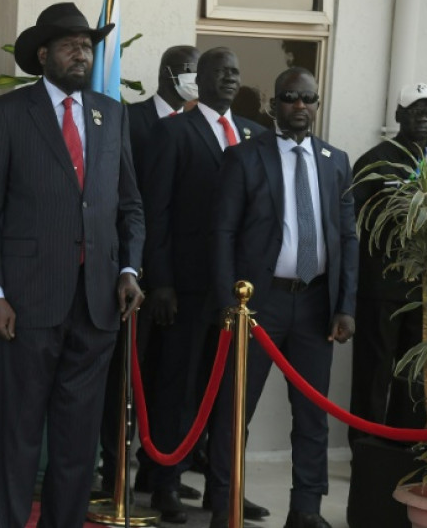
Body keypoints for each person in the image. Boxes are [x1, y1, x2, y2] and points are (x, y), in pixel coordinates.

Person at [0, 3, 145, 527]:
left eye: (87, 46)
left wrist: (130, 270)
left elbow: (130, 206)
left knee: (77, 440)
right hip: (25, 303)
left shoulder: (111, 113)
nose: (81, 54)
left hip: (96, 303)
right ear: (43, 54)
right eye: (70, 45)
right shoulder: (9, 112)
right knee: (18, 434)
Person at [209, 67, 357, 528]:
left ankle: (306, 509)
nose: (300, 106)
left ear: (317, 104)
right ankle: (224, 505)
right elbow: (222, 233)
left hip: (316, 305)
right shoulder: (244, 157)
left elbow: (348, 238)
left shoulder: (336, 161)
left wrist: (346, 305)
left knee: (313, 414)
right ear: (274, 104)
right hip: (258, 304)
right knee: (236, 409)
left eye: (308, 98)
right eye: (290, 97)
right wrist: (228, 303)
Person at [142, 47, 268, 523]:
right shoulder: (174, 131)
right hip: (188, 286)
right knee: (179, 386)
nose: (230, 78)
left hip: (241, 291)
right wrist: (162, 282)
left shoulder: (256, 135)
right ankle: (165, 484)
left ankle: (224, 488)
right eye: (220, 71)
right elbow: (157, 211)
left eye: (236, 71)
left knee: (232, 394)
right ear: (201, 78)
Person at [97, 43, 200, 499]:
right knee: (124, 380)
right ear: (167, 73)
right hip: (131, 276)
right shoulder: (129, 118)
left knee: (170, 383)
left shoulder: (199, 126)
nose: (196, 78)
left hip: (181, 280)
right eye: (190, 70)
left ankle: (160, 475)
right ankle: (113, 473)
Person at [348, 83, 427, 446]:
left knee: (416, 375)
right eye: (415, 110)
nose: (423, 117)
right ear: (397, 115)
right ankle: (366, 451)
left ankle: (403, 450)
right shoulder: (375, 161)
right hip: (382, 287)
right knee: (373, 373)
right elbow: (349, 221)